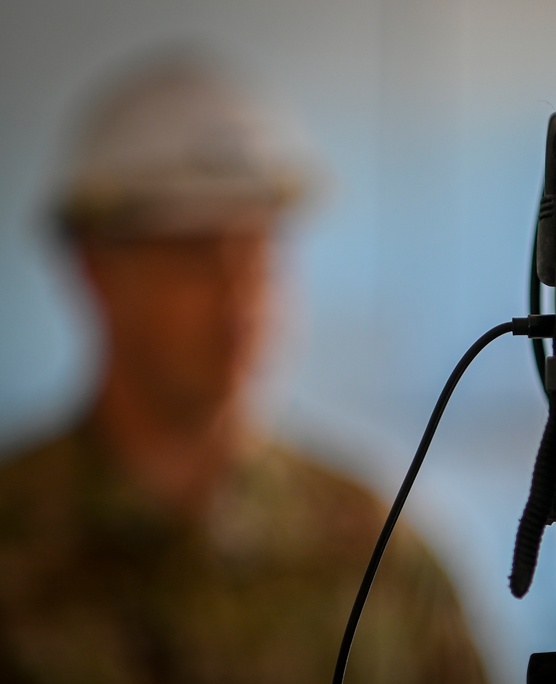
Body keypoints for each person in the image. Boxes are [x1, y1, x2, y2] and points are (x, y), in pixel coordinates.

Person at [0, 55, 488, 684]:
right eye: (193, 251)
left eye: (257, 247)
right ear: (95, 269)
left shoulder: (373, 550)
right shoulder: (16, 543)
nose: (239, 293)